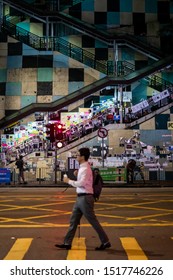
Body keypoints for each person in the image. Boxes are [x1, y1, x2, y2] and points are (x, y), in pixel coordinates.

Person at [55, 147, 111, 250]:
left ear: (82, 157)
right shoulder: (83, 168)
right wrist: (77, 175)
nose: (76, 156)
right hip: (80, 198)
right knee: (73, 221)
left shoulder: (85, 168)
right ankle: (67, 243)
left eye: (77, 154)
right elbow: (83, 181)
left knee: (93, 221)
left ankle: (105, 241)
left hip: (85, 198)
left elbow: (81, 183)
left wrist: (68, 181)